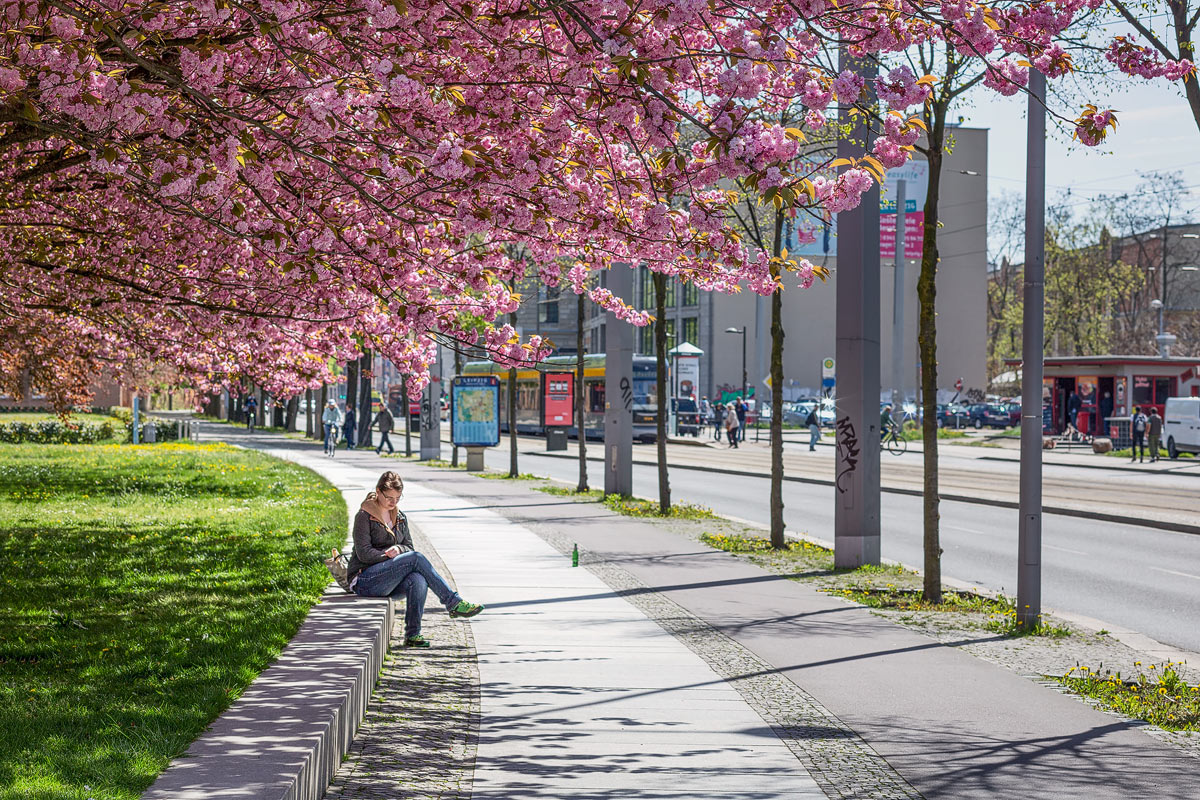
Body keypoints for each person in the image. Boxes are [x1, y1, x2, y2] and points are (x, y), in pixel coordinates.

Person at [348, 472, 483, 648]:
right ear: (378, 491)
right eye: (389, 497)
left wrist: (399, 549)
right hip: (365, 580)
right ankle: (453, 602)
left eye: (397, 498)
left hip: (388, 580)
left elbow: (409, 547)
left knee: (418, 580)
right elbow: (364, 553)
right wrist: (388, 556)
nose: (393, 502)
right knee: (416, 558)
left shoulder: (400, 517)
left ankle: (413, 634)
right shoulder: (364, 516)